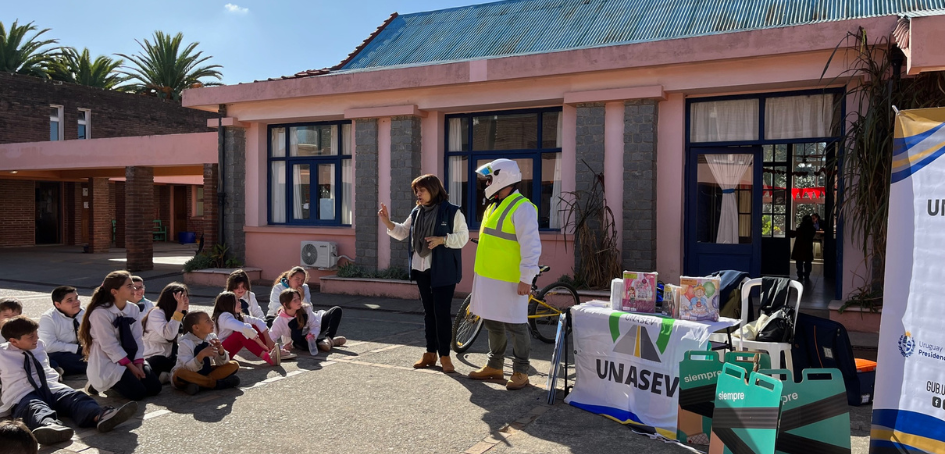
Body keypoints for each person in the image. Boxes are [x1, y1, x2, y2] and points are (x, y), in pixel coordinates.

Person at [378, 174, 468, 373]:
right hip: (421, 269)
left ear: (433, 190)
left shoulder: (452, 211)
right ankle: (430, 353)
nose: (418, 194)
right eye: (416, 191)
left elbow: (463, 237)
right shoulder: (417, 211)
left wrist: (442, 240)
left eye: (422, 190)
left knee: (442, 314)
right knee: (429, 313)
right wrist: (387, 221)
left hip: (443, 270)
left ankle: (445, 355)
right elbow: (402, 232)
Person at [1, 316, 137, 445]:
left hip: (50, 386)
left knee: (75, 397)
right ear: (13, 341)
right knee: (34, 408)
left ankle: (100, 416)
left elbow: (46, 368)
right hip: (23, 392)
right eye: (31, 336)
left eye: (36, 333)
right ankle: (49, 426)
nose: (36, 338)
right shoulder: (2, 353)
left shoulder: (39, 345)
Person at [467, 159, 542, 390]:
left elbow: (531, 246)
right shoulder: (493, 205)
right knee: (492, 322)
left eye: (489, 179)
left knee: (517, 325)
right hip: (488, 277)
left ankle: (521, 371)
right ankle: (495, 366)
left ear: (502, 178)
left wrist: (526, 279)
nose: (487, 184)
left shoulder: (523, 207)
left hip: (511, 280)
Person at [78, 270, 162, 401]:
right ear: (114, 291)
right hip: (109, 359)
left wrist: (139, 363)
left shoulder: (133, 309)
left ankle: (124, 379)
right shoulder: (100, 313)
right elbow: (109, 346)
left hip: (131, 356)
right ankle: (97, 384)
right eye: (129, 286)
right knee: (138, 393)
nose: (134, 289)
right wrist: (131, 367)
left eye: (133, 285)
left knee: (154, 388)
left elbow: (138, 338)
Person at [172, 312, 240, 395]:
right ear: (196, 327)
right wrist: (201, 355)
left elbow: (221, 363)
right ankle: (217, 384)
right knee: (180, 373)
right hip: (189, 375)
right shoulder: (185, 342)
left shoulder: (212, 337)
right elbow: (187, 367)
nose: (212, 322)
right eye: (207, 321)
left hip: (205, 372)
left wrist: (221, 351)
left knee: (234, 365)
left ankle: (200, 385)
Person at [212, 292, 281, 366]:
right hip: (219, 354)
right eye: (237, 301)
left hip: (226, 352)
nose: (240, 303)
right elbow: (244, 328)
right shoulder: (223, 317)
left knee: (253, 326)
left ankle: (270, 349)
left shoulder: (235, 315)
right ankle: (268, 358)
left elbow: (258, 321)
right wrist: (261, 344)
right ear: (228, 304)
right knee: (241, 333)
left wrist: (268, 340)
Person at [270, 288, 346, 354]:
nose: (299, 301)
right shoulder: (279, 321)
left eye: (299, 298)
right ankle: (326, 342)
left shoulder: (305, 309)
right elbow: (270, 340)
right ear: (286, 305)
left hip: (318, 323)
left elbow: (315, 325)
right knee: (299, 344)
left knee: (336, 310)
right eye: (295, 300)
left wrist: (312, 335)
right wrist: (282, 347)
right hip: (300, 339)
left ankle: (329, 339)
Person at [142, 283, 189, 384]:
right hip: (154, 358)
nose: (186, 300)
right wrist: (179, 310)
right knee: (159, 361)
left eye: (186, 296)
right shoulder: (157, 313)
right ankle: (174, 378)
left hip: (171, 357)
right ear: (171, 299)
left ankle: (173, 378)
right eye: (182, 297)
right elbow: (169, 335)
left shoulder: (181, 315)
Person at [38, 286, 87, 376]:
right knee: (62, 359)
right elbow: (48, 345)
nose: (76, 302)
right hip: (62, 353)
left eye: (76, 298)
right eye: (70, 300)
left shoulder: (86, 313)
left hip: (85, 350)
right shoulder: (48, 318)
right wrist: (78, 349)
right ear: (58, 305)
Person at [791, 215, 816, 280]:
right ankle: (807, 274)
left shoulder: (800, 229)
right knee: (808, 261)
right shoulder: (812, 229)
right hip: (808, 247)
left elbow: (794, 234)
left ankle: (800, 274)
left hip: (799, 247)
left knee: (799, 261)